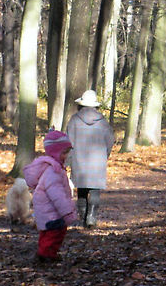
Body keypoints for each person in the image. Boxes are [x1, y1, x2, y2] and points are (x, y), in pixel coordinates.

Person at [23, 130, 78, 265]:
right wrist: (68, 212)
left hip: (46, 211)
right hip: (52, 212)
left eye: (67, 152)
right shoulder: (54, 171)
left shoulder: (53, 168)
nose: (66, 156)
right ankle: (46, 255)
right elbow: (58, 196)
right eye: (64, 153)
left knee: (47, 233)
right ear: (55, 153)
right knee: (56, 233)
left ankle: (44, 253)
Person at [66, 89, 115, 227]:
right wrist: (105, 155)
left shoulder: (74, 120)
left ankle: (82, 216)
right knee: (94, 190)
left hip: (79, 160)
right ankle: (91, 217)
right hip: (97, 161)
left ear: (81, 104)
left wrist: (68, 160)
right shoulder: (103, 122)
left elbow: (68, 141)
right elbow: (110, 140)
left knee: (81, 190)